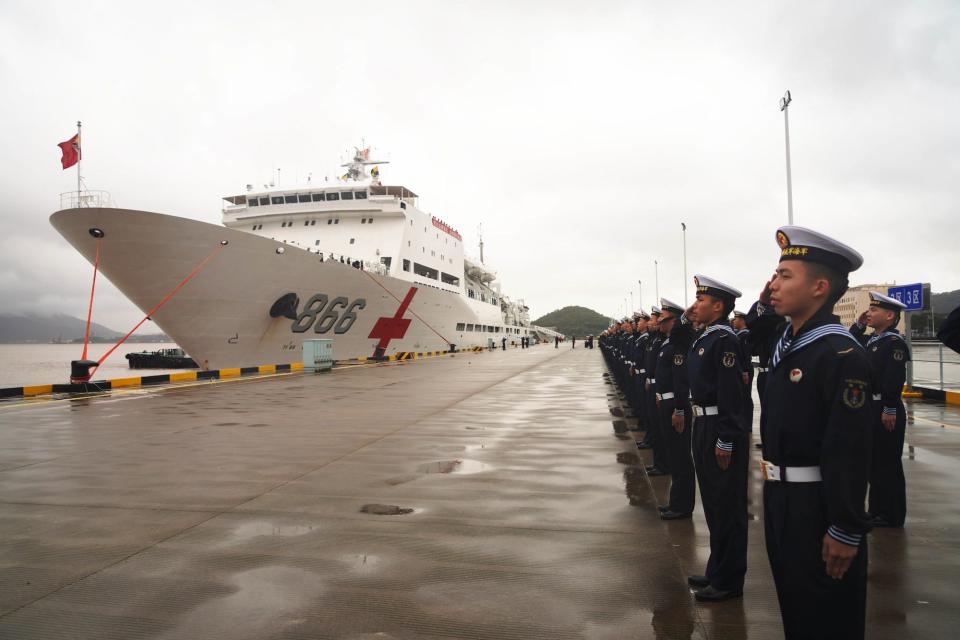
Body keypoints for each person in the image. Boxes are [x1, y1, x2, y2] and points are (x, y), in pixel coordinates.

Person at [751, 226, 873, 640]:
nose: (772, 286)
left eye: (785, 275)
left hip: (818, 508)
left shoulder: (840, 355)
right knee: (797, 612)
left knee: (828, 618)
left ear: (819, 287)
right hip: (781, 500)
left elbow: (851, 449)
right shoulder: (789, 343)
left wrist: (845, 525)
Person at [685, 275, 749, 602]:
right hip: (703, 425)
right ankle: (716, 569)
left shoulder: (724, 339)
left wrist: (726, 438)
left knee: (727, 506)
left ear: (719, 306)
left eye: (700, 300)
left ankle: (729, 580)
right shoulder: (705, 337)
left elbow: (731, 393)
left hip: (718, 427)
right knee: (712, 504)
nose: (694, 306)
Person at [851, 292, 910, 528]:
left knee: (888, 463)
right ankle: (876, 510)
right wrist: (859, 324)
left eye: (875, 310)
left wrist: (890, 407)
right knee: (874, 462)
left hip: (885, 408)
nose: (870, 313)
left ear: (889, 316)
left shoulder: (894, 344)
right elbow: (850, 343)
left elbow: (894, 379)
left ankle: (891, 514)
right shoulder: (872, 341)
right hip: (870, 407)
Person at [655, 299, 696, 519]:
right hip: (667, 403)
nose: (659, 323)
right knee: (674, 454)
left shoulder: (679, 345)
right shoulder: (668, 343)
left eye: (664, 319)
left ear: (674, 321)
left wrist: (679, 410)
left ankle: (682, 506)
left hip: (676, 406)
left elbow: (681, 382)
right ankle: (676, 501)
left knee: (681, 457)